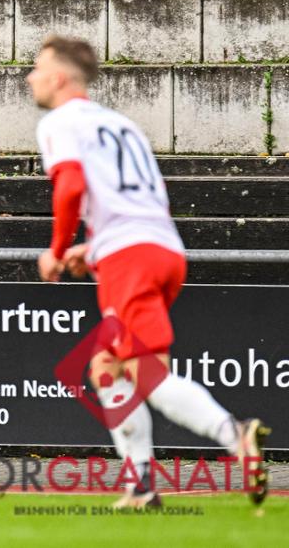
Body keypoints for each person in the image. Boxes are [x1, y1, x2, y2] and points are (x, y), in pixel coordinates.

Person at [29, 36, 268, 511]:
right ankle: (140, 486)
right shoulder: (122, 125)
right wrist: (94, 248)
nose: (30, 77)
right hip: (161, 250)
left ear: (57, 78)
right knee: (107, 367)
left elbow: (71, 186)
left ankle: (235, 433)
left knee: (144, 368)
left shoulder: (59, 122)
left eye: (37, 68)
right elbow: (141, 200)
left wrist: (55, 252)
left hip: (130, 259)